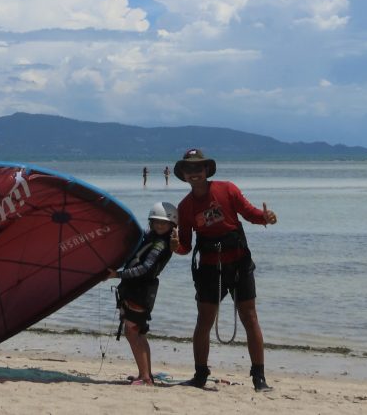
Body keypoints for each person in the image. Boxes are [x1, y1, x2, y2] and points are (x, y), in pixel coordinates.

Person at [173, 148, 278, 392]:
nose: (194, 173)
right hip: (209, 268)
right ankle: (200, 375)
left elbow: (250, 214)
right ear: (184, 175)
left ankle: (259, 378)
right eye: (189, 169)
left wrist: (266, 217)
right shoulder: (185, 207)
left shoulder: (227, 189)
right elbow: (186, 246)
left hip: (239, 263)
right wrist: (175, 247)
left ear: (206, 170)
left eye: (198, 168)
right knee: (204, 321)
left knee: (250, 318)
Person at [107, 202, 179, 386]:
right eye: (156, 222)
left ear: (172, 225)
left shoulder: (162, 244)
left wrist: (118, 275)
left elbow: (146, 269)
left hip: (141, 290)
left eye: (164, 223)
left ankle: (146, 378)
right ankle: (144, 374)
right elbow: (136, 241)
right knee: (137, 332)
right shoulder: (150, 237)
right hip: (135, 289)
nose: (159, 226)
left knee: (133, 331)